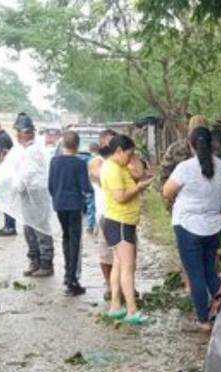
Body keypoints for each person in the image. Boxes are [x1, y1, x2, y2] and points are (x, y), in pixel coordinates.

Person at [162, 127, 221, 332]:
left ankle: (203, 320)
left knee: (195, 274)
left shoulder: (185, 167)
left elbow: (166, 191)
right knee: (211, 273)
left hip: (188, 226)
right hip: (214, 226)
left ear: (190, 144)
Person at [100, 134, 153, 325]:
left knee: (119, 265)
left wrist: (135, 162)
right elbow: (120, 197)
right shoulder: (113, 169)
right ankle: (132, 310)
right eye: (128, 154)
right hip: (120, 223)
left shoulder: (118, 165)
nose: (131, 158)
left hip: (121, 222)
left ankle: (116, 306)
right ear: (119, 151)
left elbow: (138, 171)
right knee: (128, 267)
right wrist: (139, 188)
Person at [0, 114, 55, 277]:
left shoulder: (35, 150)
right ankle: (34, 260)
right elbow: (10, 167)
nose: (17, 136)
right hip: (26, 197)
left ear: (27, 133)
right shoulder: (21, 149)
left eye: (19, 133)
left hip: (38, 196)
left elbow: (28, 174)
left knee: (41, 229)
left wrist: (16, 185)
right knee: (29, 229)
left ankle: (46, 263)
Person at [48, 131, 93, 296]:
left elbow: (51, 185)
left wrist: (57, 197)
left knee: (66, 238)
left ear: (63, 145)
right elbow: (85, 187)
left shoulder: (54, 161)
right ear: (77, 145)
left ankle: (68, 274)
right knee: (75, 240)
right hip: (74, 205)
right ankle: (72, 279)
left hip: (59, 204)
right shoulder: (79, 163)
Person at [89, 129, 117, 297]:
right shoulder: (97, 162)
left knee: (126, 254)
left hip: (123, 213)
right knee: (106, 254)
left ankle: (124, 285)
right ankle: (109, 284)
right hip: (105, 213)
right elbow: (98, 176)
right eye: (111, 142)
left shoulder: (122, 161)